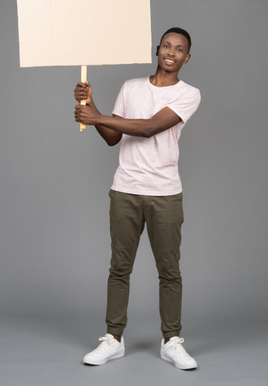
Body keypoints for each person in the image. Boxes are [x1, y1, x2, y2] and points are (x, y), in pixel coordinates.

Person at [74, 27, 201, 370]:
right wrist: (91, 104)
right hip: (125, 189)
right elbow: (114, 137)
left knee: (169, 270)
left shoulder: (189, 94)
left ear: (186, 58)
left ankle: (171, 341)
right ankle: (113, 339)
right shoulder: (131, 87)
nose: (171, 52)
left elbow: (147, 127)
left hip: (165, 193)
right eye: (166, 45)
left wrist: (95, 116)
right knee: (119, 268)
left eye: (179, 49)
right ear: (157, 49)